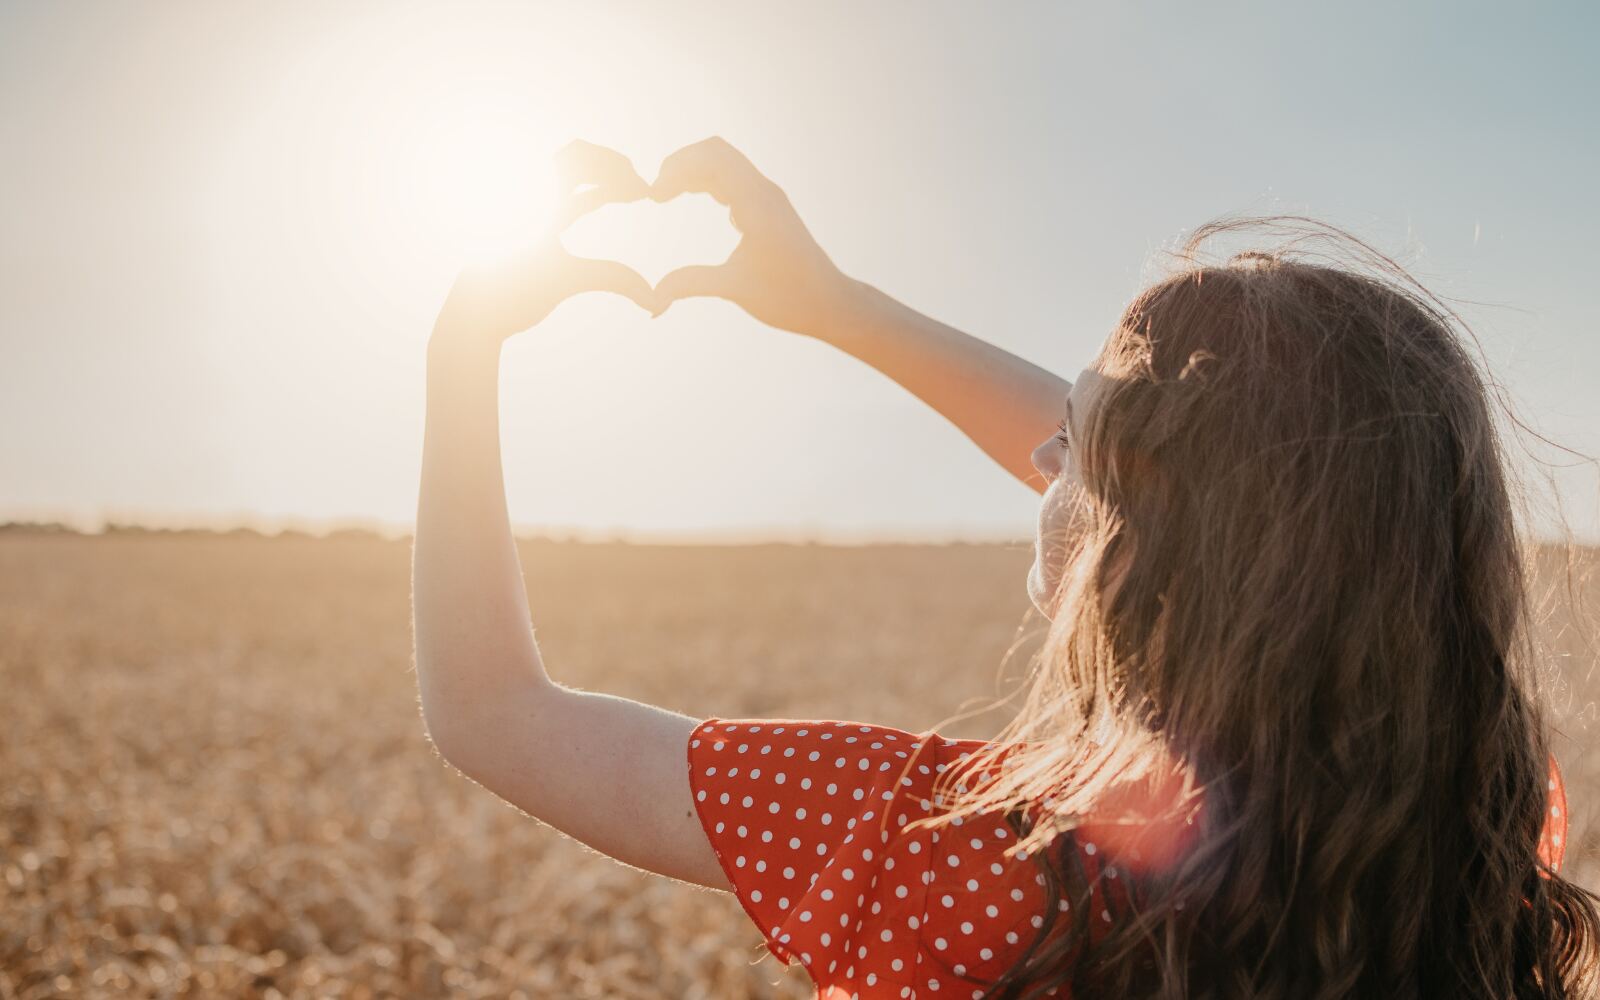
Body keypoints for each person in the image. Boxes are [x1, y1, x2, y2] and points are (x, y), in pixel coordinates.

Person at [411, 137, 1599, 998]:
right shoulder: (1486, 812)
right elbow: (1247, 506)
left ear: (1149, 538)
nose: (1040, 451)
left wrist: (463, 346)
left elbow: (492, 712)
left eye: (1073, 442)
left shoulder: (948, 847)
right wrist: (837, 307)